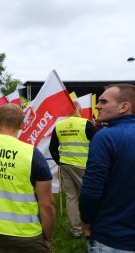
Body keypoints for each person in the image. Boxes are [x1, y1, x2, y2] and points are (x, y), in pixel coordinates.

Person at [0, 104, 55, 253]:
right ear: (22, 124)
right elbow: (47, 205)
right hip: (25, 234)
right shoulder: (33, 155)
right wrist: (48, 237)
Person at [79, 84, 135, 252]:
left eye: (103, 101)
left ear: (124, 107)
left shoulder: (105, 137)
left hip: (111, 237)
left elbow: (91, 189)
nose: (97, 105)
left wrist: (86, 221)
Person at [49, 101, 97, 238]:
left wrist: (60, 162)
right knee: (88, 197)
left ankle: (76, 231)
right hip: (83, 166)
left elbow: (52, 148)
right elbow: (97, 143)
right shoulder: (86, 124)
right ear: (79, 110)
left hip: (65, 165)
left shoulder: (59, 126)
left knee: (71, 198)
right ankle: (90, 228)